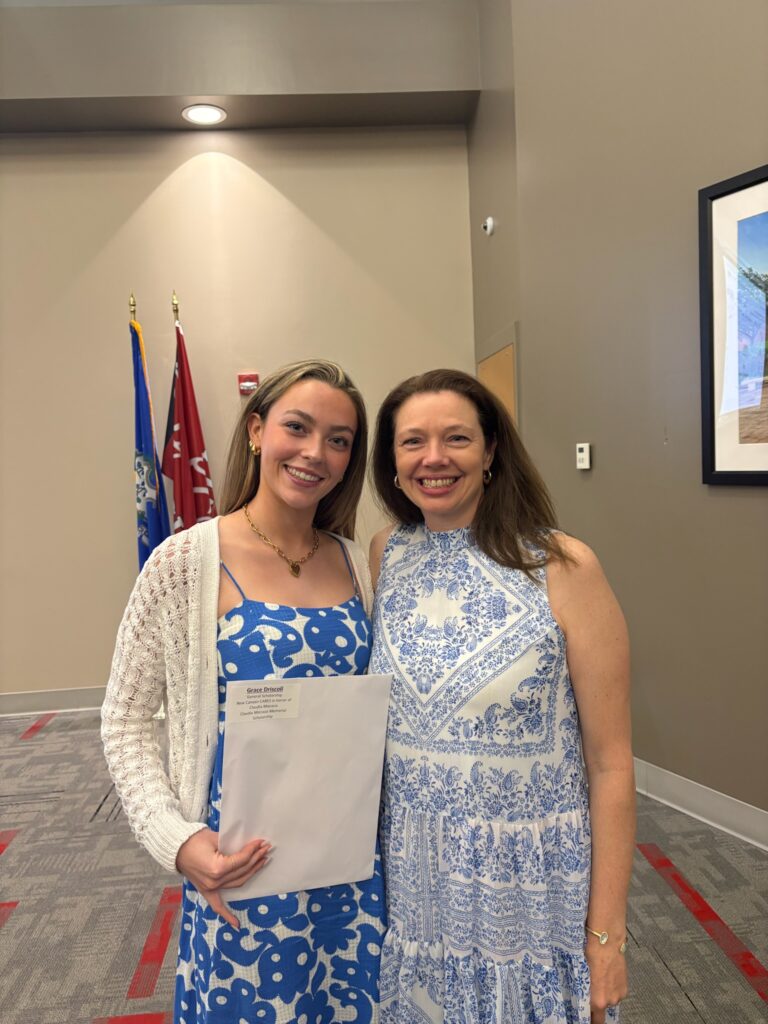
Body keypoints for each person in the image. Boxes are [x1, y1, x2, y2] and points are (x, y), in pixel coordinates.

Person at [102, 360, 386, 1024]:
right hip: (240, 868)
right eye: (298, 427)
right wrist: (177, 840)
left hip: (350, 868)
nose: (315, 453)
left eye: (339, 440)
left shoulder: (361, 566)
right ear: (257, 431)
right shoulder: (184, 563)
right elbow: (124, 720)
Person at [368, 369, 635, 1024]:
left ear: (490, 451)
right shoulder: (385, 555)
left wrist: (606, 937)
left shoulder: (562, 565)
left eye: (456, 438)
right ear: (392, 461)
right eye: (413, 441)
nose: (433, 458)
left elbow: (611, 765)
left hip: (528, 888)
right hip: (417, 881)